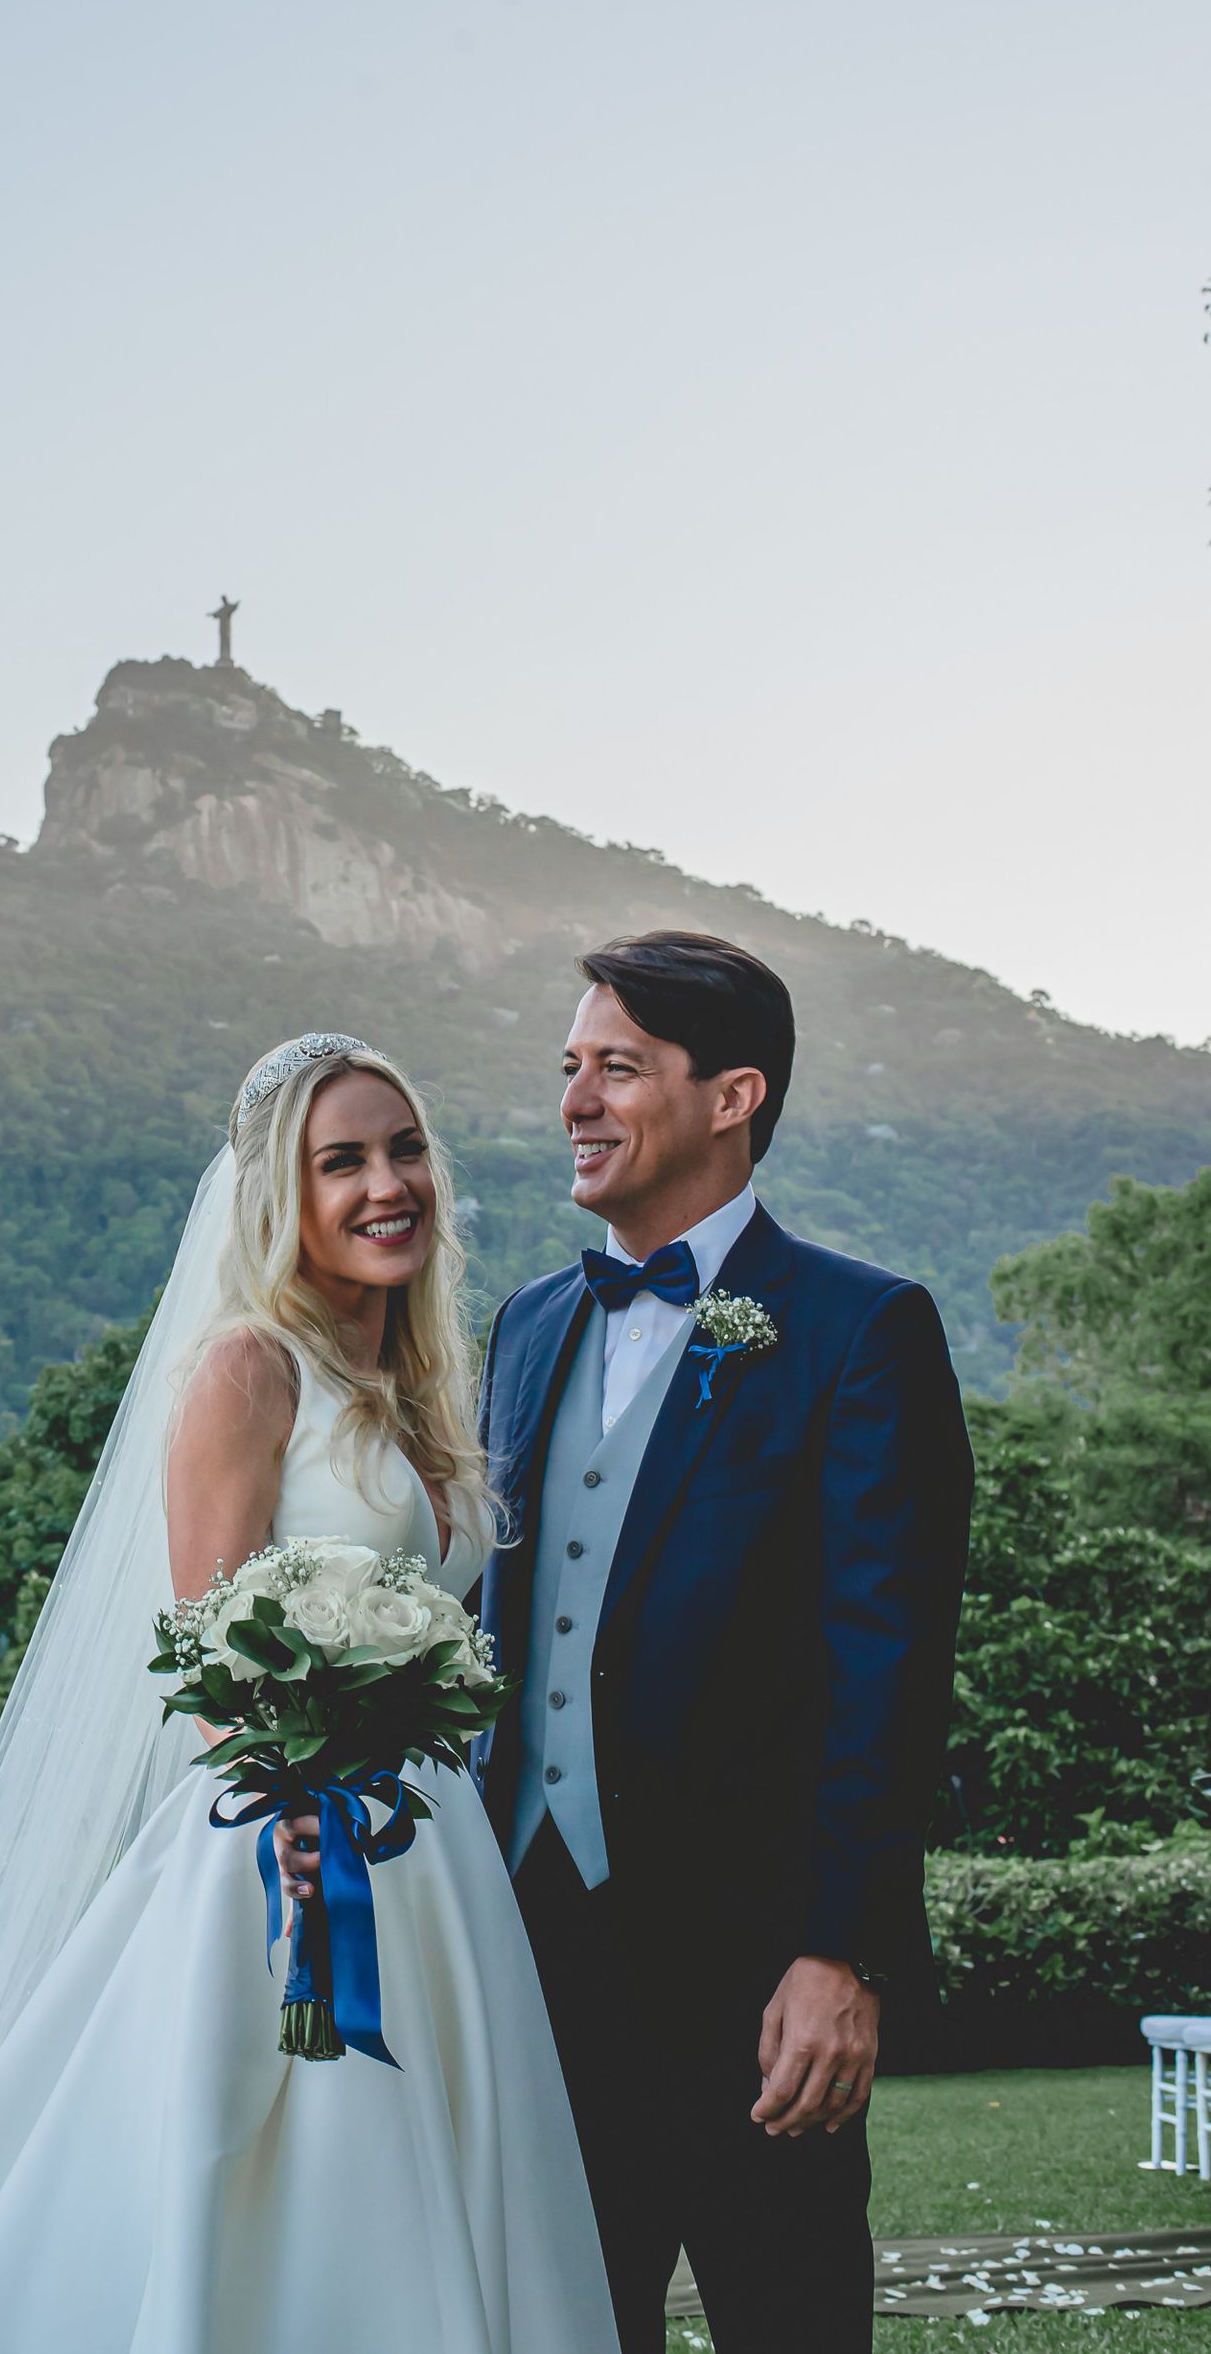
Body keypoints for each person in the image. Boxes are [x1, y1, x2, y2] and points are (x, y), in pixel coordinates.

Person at [0, 1032, 618, 2354]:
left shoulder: (424, 1388)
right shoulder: (250, 1370)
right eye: (341, 1162)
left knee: (465, 2176)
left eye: (406, 1149)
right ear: (279, 1198)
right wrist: (297, 1799)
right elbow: (206, 1644)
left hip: (440, 1859)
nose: (388, 1185)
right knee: (298, 2187)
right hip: (291, 1849)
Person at [460, 930, 971, 2353]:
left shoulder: (863, 1329)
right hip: (531, 1964)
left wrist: (842, 1956)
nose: (575, 1101)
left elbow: (888, 1671)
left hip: (758, 1985)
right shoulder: (527, 1325)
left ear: (733, 1095)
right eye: (570, 1067)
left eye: (617, 1069)